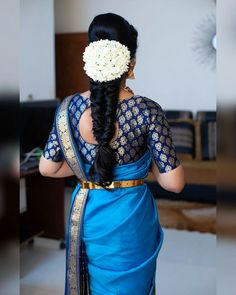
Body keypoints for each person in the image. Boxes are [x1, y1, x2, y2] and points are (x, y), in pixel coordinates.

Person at [39, 12, 185, 295]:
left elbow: (48, 168)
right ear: (130, 63)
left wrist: (91, 166)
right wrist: (144, 160)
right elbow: (174, 183)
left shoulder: (68, 108)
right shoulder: (147, 110)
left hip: (90, 213)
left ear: (91, 59)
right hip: (131, 218)